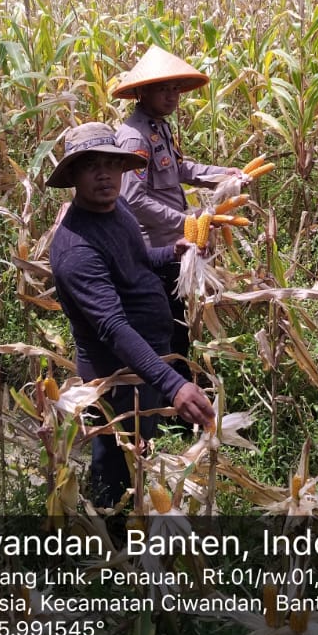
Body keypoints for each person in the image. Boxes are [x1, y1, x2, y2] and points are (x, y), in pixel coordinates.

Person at [47, 122, 216, 508]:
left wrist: (173, 252)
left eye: (111, 164)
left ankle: (128, 519)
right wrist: (174, 384)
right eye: (91, 166)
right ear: (73, 176)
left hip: (146, 362)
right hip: (118, 375)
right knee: (114, 462)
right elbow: (112, 327)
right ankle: (106, 531)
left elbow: (137, 261)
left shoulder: (117, 207)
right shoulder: (76, 250)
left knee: (137, 453)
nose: (104, 175)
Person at [113, 45, 244, 358]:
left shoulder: (159, 128)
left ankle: (181, 376)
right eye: (163, 89)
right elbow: (133, 199)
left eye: (175, 89)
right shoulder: (135, 137)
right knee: (163, 328)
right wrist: (186, 222)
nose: (172, 96)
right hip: (153, 250)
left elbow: (180, 169)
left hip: (174, 245)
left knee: (176, 325)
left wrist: (223, 175)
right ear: (142, 92)